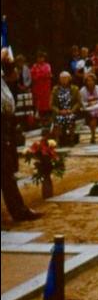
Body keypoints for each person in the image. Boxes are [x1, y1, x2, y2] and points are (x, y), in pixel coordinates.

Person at [1, 73, 42, 222]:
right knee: (6, 172)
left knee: (7, 172)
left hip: (6, 124)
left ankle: (19, 211)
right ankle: (19, 211)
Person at [50, 71, 82, 146]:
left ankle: (71, 140)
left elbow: (78, 102)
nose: (64, 80)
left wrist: (71, 110)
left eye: (65, 78)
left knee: (70, 119)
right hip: (59, 112)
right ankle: (57, 140)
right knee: (58, 119)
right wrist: (59, 111)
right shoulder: (55, 89)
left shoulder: (75, 89)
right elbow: (51, 104)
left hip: (70, 111)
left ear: (69, 79)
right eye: (62, 78)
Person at [80, 72, 98, 143]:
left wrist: (96, 103)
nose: (90, 82)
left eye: (92, 80)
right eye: (88, 80)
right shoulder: (82, 90)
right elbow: (81, 102)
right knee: (93, 118)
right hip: (89, 108)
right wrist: (89, 103)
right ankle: (93, 136)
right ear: (86, 82)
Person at [30, 50, 52, 121]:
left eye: (42, 57)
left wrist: (39, 74)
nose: (40, 59)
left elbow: (48, 74)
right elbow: (33, 76)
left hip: (46, 87)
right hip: (37, 87)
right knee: (38, 102)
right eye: (39, 57)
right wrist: (42, 75)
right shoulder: (34, 66)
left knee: (46, 101)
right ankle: (38, 116)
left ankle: (47, 116)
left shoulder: (47, 65)